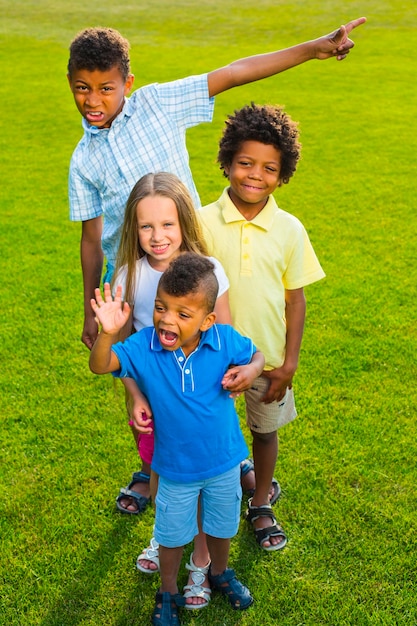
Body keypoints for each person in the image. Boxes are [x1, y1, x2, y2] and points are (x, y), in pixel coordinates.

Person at [67, 17, 366, 351]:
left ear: (128, 83)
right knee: (142, 373)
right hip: (130, 278)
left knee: (206, 361)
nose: (93, 101)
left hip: (186, 265)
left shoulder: (156, 104)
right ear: (69, 83)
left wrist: (312, 49)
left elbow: (234, 73)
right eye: (82, 88)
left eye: (106, 89)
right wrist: (88, 311)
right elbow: (91, 240)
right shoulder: (81, 160)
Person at [89, 253, 265, 626]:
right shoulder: (143, 345)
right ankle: (167, 589)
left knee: (221, 528)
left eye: (183, 315)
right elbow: (101, 365)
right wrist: (107, 333)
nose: (167, 320)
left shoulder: (223, 339)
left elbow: (257, 355)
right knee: (170, 536)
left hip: (224, 463)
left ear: (207, 320)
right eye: (160, 308)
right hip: (173, 469)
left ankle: (219, 572)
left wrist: (250, 370)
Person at [198, 103, 326, 552]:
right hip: (208, 357)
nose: (255, 175)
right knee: (209, 430)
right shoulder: (200, 220)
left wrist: (289, 362)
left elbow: (296, 298)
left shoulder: (289, 229)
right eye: (245, 163)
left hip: (268, 360)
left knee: (265, 431)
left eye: (269, 168)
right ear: (227, 162)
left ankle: (260, 500)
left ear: (283, 174)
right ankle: (213, 495)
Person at [109, 171, 233, 607]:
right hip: (155, 402)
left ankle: (200, 561)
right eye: (146, 226)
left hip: (200, 402)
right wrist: (136, 394)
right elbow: (122, 350)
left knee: (201, 479)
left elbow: (226, 336)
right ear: (133, 228)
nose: (157, 236)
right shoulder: (129, 275)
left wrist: (229, 381)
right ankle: (165, 541)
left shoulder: (209, 271)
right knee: (163, 476)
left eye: (167, 225)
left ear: (184, 223)